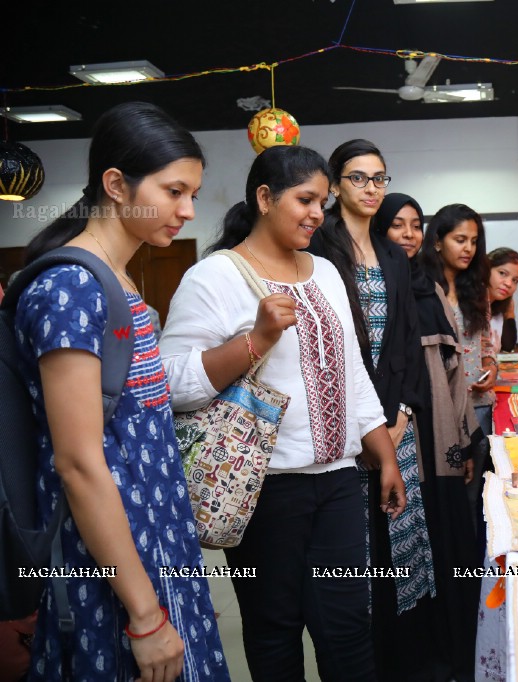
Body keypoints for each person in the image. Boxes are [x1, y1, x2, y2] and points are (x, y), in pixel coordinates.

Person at [160, 145, 406, 681]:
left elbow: (354, 373)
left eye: (324, 201)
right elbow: (172, 383)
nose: (319, 213)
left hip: (340, 480)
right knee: (274, 627)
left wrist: (384, 453)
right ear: (265, 198)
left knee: (347, 626)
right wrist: (258, 338)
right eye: (306, 199)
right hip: (265, 490)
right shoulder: (214, 277)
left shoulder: (325, 272)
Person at [13, 101, 229, 681]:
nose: (187, 210)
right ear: (116, 184)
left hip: (157, 547)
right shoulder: (71, 289)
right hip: (110, 567)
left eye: (193, 194)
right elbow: (80, 462)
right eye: (173, 191)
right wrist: (144, 615)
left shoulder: (117, 281)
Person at [308, 139, 435, 680]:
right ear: (335, 184)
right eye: (359, 178)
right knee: (353, 555)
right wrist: (362, 420)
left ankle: (402, 658)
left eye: (379, 178)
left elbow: (406, 339)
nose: (371, 188)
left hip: (394, 418)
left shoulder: (391, 255)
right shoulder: (319, 246)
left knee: (398, 547)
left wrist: (402, 409)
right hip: (339, 422)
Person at [372, 192, 482, 682]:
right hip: (399, 444)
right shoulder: (376, 288)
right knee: (412, 557)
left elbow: (453, 372)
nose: (410, 235)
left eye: (416, 225)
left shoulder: (429, 287)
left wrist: (465, 442)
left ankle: (456, 657)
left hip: (442, 440)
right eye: (398, 226)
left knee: (452, 547)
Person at [419, 204, 496, 551]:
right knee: (446, 494)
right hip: (443, 408)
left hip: (479, 405)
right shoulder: (421, 288)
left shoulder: (477, 288)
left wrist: (492, 368)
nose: (468, 248)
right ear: (437, 242)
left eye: (474, 241)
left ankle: (472, 570)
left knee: (474, 494)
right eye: (459, 239)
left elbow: (486, 342)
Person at [487, 247, 518, 353]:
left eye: (515, 280)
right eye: (502, 273)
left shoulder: (497, 311)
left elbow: (508, 347)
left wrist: (510, 313)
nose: (509, 284)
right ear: (485, 269)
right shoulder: (464, 307)